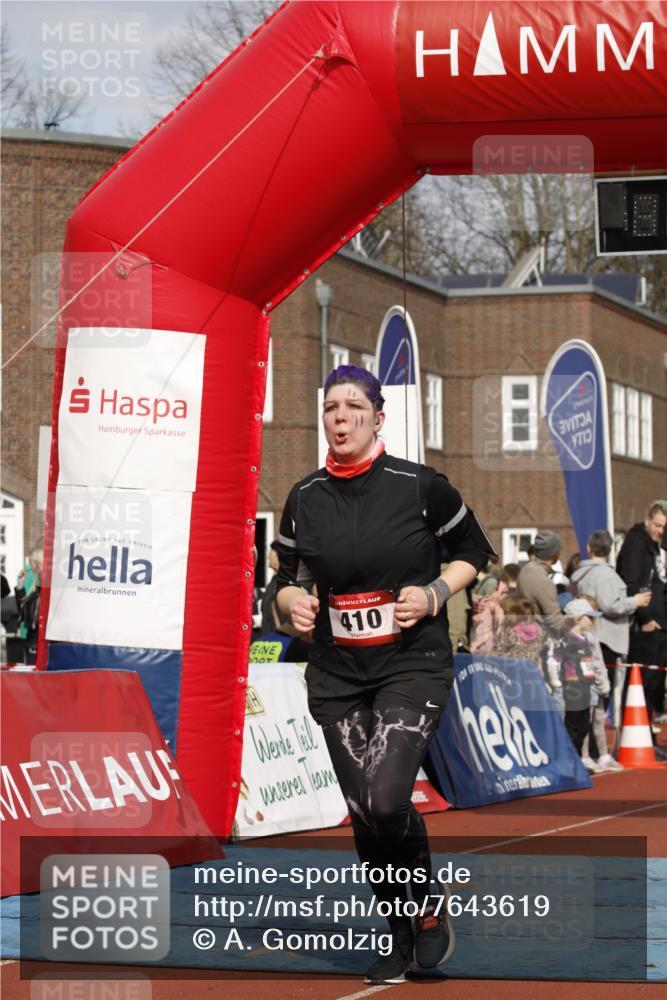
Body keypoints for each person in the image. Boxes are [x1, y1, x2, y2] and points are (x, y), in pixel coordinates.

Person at [275, 365, 496, 985]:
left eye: (353, 407)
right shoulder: (305, 497)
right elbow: (285, 577)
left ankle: (425, 904)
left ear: (377, 417)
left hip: (411, 662)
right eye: (330, 408)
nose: (340, 418)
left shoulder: (421, 486)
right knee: (364, 810)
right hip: (338, 672)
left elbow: (474, 552)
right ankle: (399, 928)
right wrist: (289, 603)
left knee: (385, 798)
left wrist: (433, 594)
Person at [571, 529, 651, 740]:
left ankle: (588, 745)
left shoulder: (581, 574)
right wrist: (635, 601)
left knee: (590, 698)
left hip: (590, 636)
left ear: (589, 548)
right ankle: (594, 747)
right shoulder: (606, 575)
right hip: (606, 640)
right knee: (600, 698)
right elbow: (610, 606)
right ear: (610, 550)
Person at [616, 502, 667, 726]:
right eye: (657, 525)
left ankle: (646, 732)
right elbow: (630, 583)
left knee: (654, 686)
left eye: (664, 527)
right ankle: (634, 731)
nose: (661, 531)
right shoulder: (636, 543)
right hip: (644, 627)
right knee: (640, 685)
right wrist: (645, 618)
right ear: (647, 521)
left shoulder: (656, 546)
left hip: (660, 626)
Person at [15, 543, 43, 665]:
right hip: (32, 642)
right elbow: (24, 611)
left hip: (36, 644)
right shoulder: (35, 587)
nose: (29, 566)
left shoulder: (43, 589)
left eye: (31, 561)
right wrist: (20, 586)